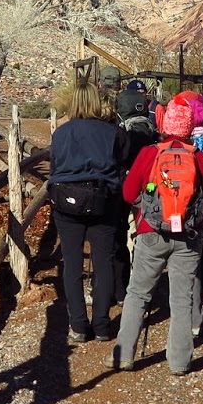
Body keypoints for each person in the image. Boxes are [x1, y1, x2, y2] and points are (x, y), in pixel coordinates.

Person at [112, 97, 203, 376]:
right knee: (182, 298)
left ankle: (123, 355)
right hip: (188, 235)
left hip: (151, 231)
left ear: (163, 124)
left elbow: (127, 193)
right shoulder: (198, 157)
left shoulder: (149, 153)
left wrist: (145, 207)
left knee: (137, 293)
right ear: (189, 128)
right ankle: (179, 362)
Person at [47, 77, 132, 343]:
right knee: (103, 261)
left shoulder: (61, 133)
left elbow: (55, 166)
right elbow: (122, 165)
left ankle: (79, 325)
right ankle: (103, 325)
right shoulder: (112, 133)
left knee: (72, 264)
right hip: (102, 201)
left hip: (67, 202)